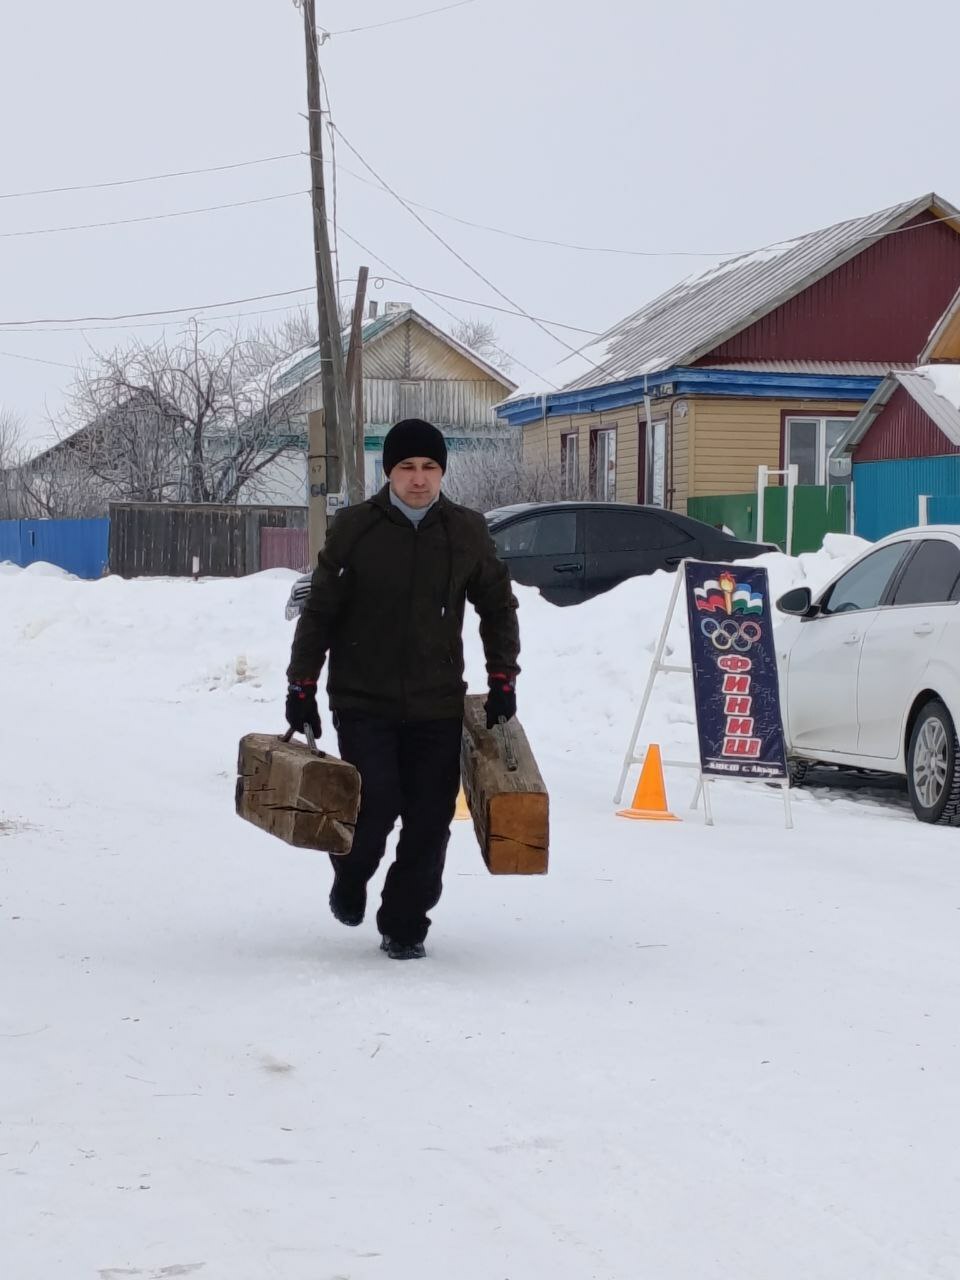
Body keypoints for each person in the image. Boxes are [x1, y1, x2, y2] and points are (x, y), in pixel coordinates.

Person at [285, 418, 520, 960]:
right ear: (388, 472)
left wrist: (502, 677)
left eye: (430, 468)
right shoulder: (356, 529)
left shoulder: (465, 531)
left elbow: (497, 606)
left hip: (436, 701)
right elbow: (320, 611)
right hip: (363, 699)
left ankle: (405, 922)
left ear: (442, 471)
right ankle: (350, 876)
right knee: (376, 801)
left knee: (432, 816)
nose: (419, 479)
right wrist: (302, 685)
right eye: (408, 468)